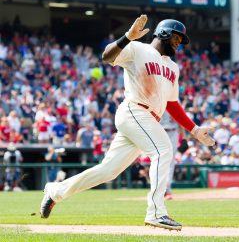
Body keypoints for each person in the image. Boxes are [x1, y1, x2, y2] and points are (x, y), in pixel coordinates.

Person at [40, 14, 215, 231]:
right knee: (163, 150)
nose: (179, 44)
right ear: (163, 34)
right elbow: (106, 56)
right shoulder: (138, 49)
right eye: (177, 38)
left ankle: (55, 191)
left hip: (147, 119)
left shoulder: (173, 68)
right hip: (135, 110)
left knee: (107, 171)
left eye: (181, 40)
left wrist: (195, 130)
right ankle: (157, 212)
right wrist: (127, 37)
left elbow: (172, 104)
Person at [160, 111, 180, 200]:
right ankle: (161, 189)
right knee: (160, 161)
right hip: (160, 131)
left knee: (171, 162)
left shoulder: (175, 98)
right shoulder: (156, 97)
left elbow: (179, 115)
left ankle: (167, 189)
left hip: (173, 131)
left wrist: (182, 134)